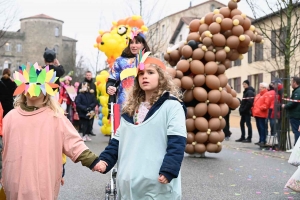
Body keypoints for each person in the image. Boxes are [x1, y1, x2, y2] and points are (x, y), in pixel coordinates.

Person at [2, 64, 104, 199]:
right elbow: (4, 148)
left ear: (47, 90)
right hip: (14, 182)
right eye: (29, 83)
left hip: (43, 181)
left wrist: (93, 161)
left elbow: (73, 142)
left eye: (38, 83)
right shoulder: (10, 118)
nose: (33, 87)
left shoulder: (55, 118)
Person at [98, 55, 187, 199]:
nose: (144, 77)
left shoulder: (172, 106)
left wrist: (169, 169)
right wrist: (105, 160)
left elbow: (177, 141)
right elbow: (118, 141)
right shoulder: (131, 109)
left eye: (150, 73)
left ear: (162, 77)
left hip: (157, 184)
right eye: (141, 74)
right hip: (129, 185)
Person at [106, 32, 150, 108]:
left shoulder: (149, 61)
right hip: (124, 103)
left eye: (137, 43)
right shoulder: (120, 61)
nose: (133, 45)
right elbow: (112, 80)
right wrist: (110, 87)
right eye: (131, 43)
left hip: (145, 102)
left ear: (143, 44)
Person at [282, 77, 300, 151]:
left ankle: (296, 148)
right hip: (296, 113)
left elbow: (294, 102)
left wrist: (285, 106)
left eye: (292, 82)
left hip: (295, 114)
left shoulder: (297, 91)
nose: (291, 83)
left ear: (295, 82)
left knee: (296, 131)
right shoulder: (296, 91)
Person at [78, 71, 97, 136]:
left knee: (91, 118)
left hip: (91, 104)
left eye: (89, 75)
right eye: (87, 75)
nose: (88, 76)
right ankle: (83, 131)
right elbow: (78, 94)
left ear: (91, 76)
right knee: (83, 119)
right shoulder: (82, 84)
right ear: (85, 76)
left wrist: (95, 104)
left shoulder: (93, 84)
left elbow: (95, 94)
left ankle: (90, 130)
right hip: (83, 105)